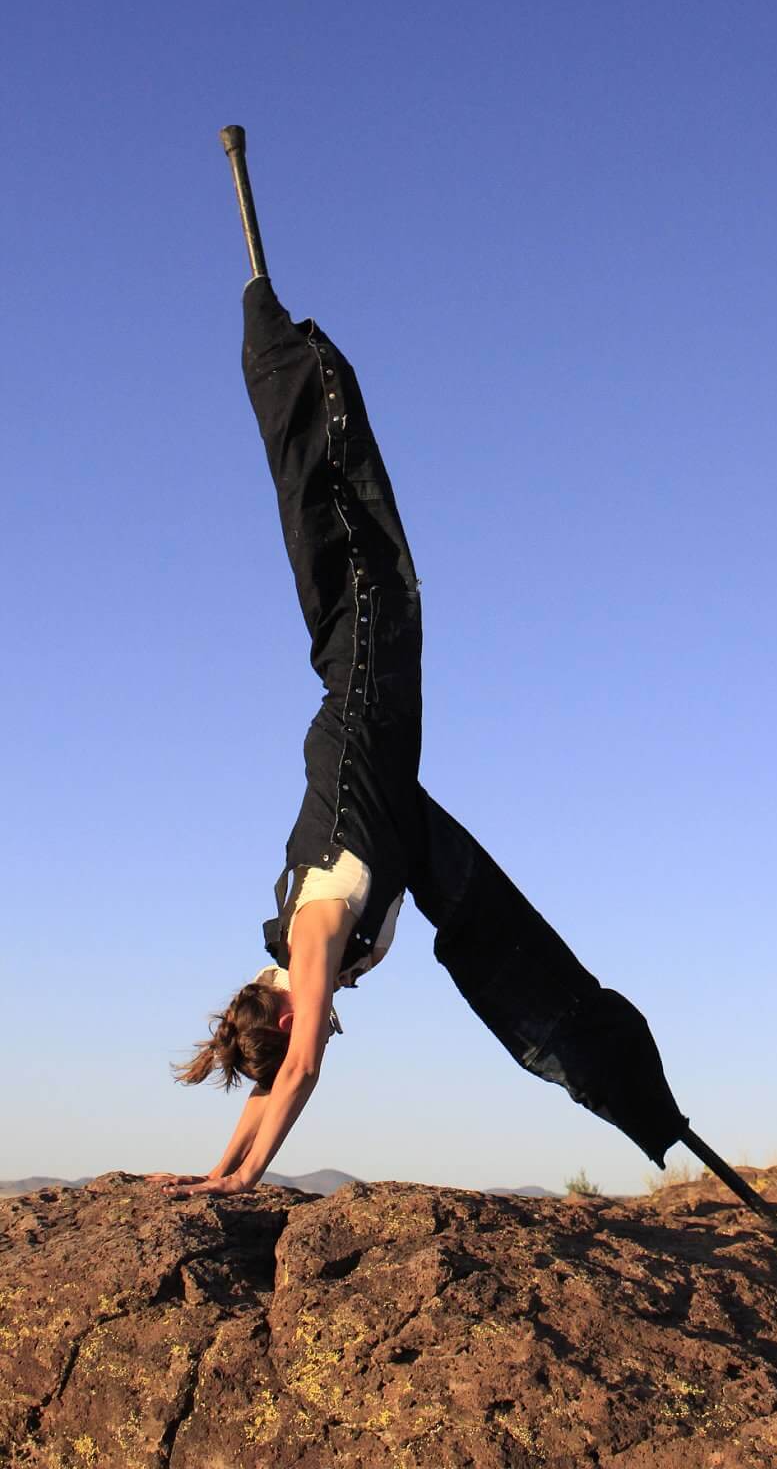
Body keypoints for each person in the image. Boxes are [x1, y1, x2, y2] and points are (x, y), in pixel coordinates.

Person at [147, 271, 693, 1201]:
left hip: (361, 721)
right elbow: (283, 1070)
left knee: (362, 578)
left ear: (285, 1016)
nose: (312, 1037)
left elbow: (301, 1073)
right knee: (377, 589)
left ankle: (286, 364)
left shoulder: (313, 939)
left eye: (294, 1037)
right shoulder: (290, 965)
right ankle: (282, 363)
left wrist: (244, 1183)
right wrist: (217, 1173)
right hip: (377, 775)